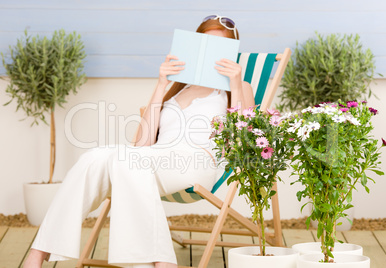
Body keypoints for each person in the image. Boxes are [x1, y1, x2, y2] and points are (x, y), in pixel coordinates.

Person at [23, 15, 254, 268]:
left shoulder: (239, 87)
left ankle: (160, 262)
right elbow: (141, 146)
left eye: (219, 50)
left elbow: (243, 143)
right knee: (93, 157)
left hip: (197, 161)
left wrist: (234, 82)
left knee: (130, 162)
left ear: (231, 54)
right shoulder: (178, 89)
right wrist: (161, 84)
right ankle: (38, 253)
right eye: (205, 46)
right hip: (152, 159)